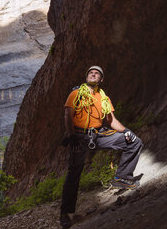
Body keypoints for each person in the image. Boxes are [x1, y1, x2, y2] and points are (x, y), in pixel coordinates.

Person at [59, 66, 143, 229]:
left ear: (101, 80)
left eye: (97, 73)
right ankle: (66, 214)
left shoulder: (104, 98)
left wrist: (127, 131)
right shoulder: (76, 94)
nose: (93, 73)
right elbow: (68, 115)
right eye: (90, 72)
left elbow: (111, 121)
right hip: (80, 136)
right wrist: (71, 136)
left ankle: (122, 177)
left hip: (99, 134)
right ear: (86, 77)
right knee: (74, 173)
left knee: (135, 142)